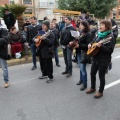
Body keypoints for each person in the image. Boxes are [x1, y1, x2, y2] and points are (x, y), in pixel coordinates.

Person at [86, 20, 115, 98]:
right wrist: (90, 44)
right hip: (95, 58)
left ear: (107, 27)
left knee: (101, 76)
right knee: (92, 73)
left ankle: (100, 91)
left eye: (102, 25)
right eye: (100, 24)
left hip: (104, 60)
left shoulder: (110, 37)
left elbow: (110, 51)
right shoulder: (98, 35)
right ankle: (93, 87)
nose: (100, 26)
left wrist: (101, 46)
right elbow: (93, 41)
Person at [75, 20, 92, 90]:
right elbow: (79, 42)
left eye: (81, 25)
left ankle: (85, 84)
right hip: (79, 52)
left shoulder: (88, 34)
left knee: (83, 69)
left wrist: (79, 45)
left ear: (85, 26)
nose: (79, 26)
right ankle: (81, 79)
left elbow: (87, 46)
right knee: (80, 68)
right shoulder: (82, 33)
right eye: (79, 25)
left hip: (84, 53)